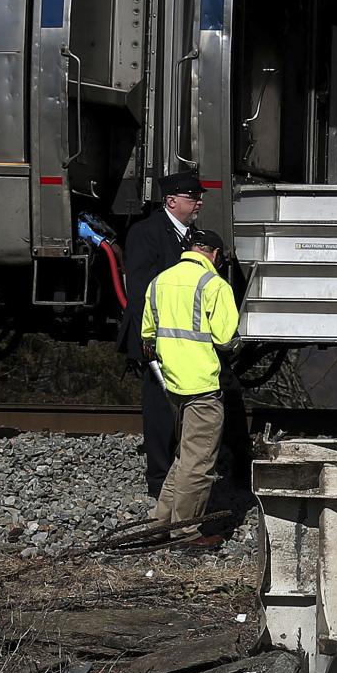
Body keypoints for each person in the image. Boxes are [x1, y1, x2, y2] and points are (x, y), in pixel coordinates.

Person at [139, 222, 239, 544]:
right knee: (198, 465)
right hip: (203, 386)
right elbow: (225, 339)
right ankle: (185, 532)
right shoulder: (215, 285)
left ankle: (159, 523)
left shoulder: (159, 282)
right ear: (215, 255)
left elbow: (147, 337)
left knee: (184, 458)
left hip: (173, 385)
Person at [118, 168, 204, 498]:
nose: (198, 203)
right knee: (159, 409)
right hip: (157, 336)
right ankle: (159, 479)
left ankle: (178, 472)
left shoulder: (192, 235)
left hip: (183, 337)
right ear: (171, 201)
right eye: (192, 197)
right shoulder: (147, 233)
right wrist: (147, 337)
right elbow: (141, 289)